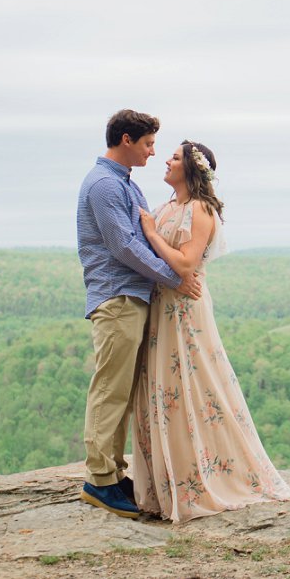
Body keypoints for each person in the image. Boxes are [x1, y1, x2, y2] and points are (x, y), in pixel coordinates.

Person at [129, 139, 290, 522]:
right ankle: (163, 483)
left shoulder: (199, 210)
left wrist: (153, 235)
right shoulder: (166, 206)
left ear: (190, 168)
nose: (165, 160)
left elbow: (186, 265)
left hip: (184, 311)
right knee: (160, 389)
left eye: (173, 156)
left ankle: (204, 477)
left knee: (192, 386)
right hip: (159, 308)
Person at [76, 109, 204, 519]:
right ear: (127, 139)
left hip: (132, 298)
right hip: (117, 298)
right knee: (110, 389)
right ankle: (100, 481)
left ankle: (113, 475)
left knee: (122, 392)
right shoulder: (103, 186)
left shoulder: (124, 185)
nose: (153, 153)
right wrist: (173, 278)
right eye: (148, 144)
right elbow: (125, 247)